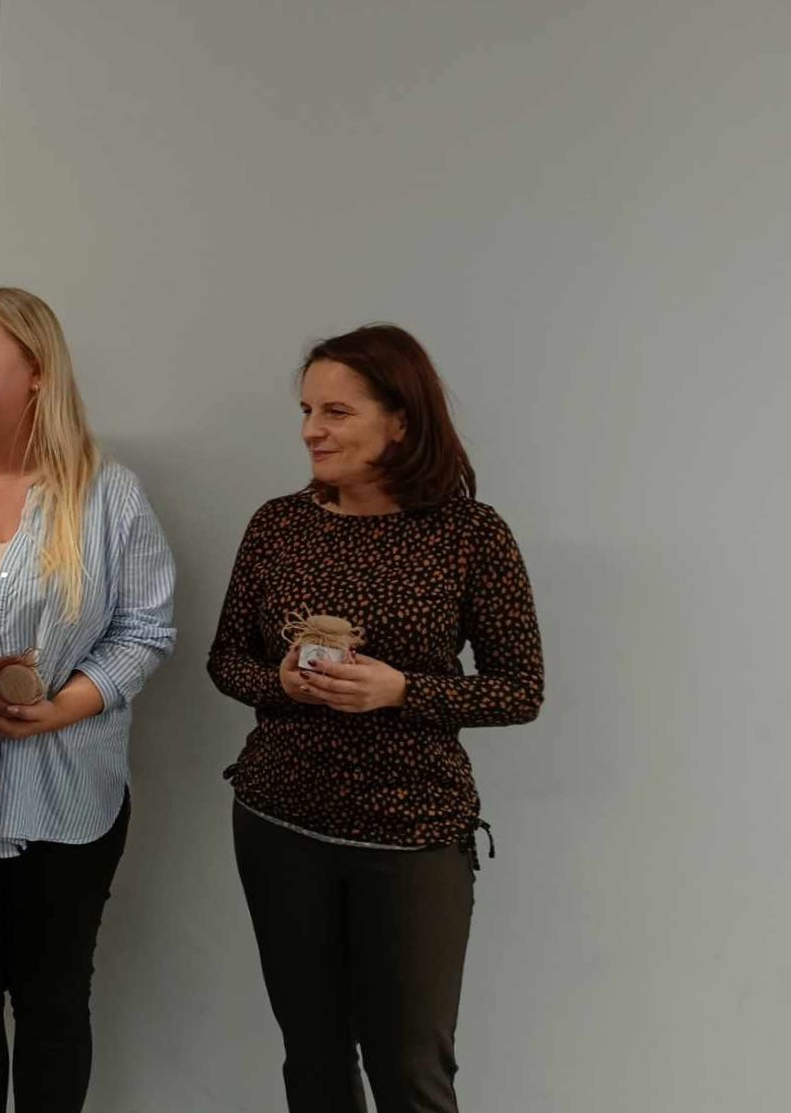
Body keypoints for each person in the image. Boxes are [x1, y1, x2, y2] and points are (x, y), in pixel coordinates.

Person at [207, 324, 545, 1113]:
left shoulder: (470, 535)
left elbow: (519, 689)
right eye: (305, 411)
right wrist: (280, 683)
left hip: (411, 835)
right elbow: (225, 658)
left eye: (335, 412)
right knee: (313, 1058)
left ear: (399, 420)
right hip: (278, 820)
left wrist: (401, 692)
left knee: (410, 1070)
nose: (310, 431)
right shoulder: (278, 524)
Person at [0, 287, 178, 1113]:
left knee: (53, 1004)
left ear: (38, 370)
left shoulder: (107, 494)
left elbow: (145, 629)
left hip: (71, 793)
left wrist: (62, 707)